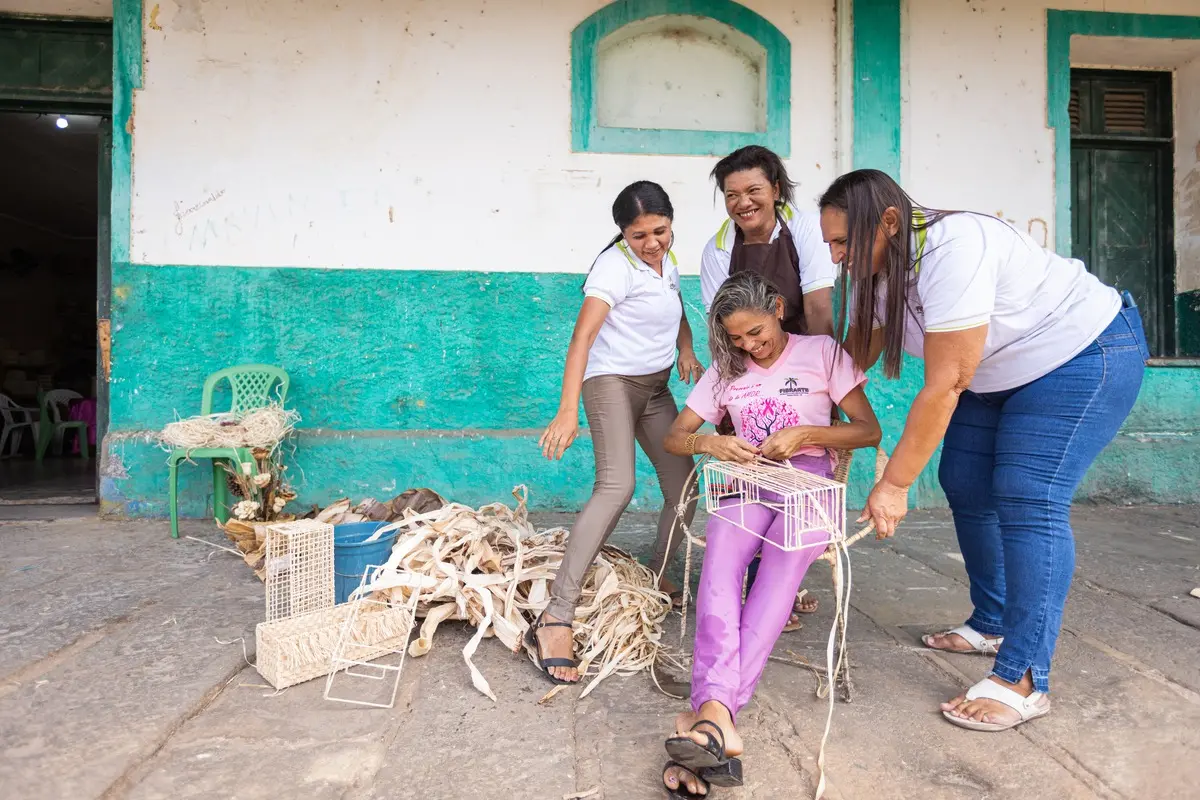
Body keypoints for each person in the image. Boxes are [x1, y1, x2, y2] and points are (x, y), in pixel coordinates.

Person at [819, 169, 1147, 733]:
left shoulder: (956, 247)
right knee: (966, 481)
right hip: (999, 373)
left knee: (1029, 498)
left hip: (1082, 354)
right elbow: (860, 349)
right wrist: (815, 407)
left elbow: (946, 383)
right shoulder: (882, 272)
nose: (837, 256)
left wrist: (893, 484)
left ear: (890, 223)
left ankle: (1023, 676)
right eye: (830, 243)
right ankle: (993, 620)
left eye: (844, 241)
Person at [658, 272, 881, 797]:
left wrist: (807, 433)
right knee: (719, 569)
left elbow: (867, 431)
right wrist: (712, 445)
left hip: (810, 483)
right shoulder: (726, 369)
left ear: (778, 308)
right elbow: (674, 437)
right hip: (747, 479)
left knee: (777, 583)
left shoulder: (822, 352)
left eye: (756, 332)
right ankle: (718, 720)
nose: (749, 346)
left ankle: (712, 716)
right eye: (736, 338)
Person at [532, 180, 703, 685]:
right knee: (617, 486)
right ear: (621, 233)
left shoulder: (666, 263)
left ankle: (655, 578)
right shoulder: (613, 267)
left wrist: (687, 349)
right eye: (638, 234)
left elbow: (675, 311)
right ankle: (557, 614)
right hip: (610, 384)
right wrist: (568, 411)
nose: (651, 242)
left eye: (660, 230)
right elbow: (582, 337)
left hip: (655, 389)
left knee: (684, 485)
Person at [700, 145, 842, 628]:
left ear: (776, 189)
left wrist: (828, 383)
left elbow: (820, 309)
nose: (743, 202)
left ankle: (779, 583)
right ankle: (752, 581)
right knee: (750, 474)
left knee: (798, 474)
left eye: (754, 190)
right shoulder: (719, 248)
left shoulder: (803, 229)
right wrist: (730, 396)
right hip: (745, 368)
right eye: (731, 194)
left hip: (803, 366)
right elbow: (721, 330)